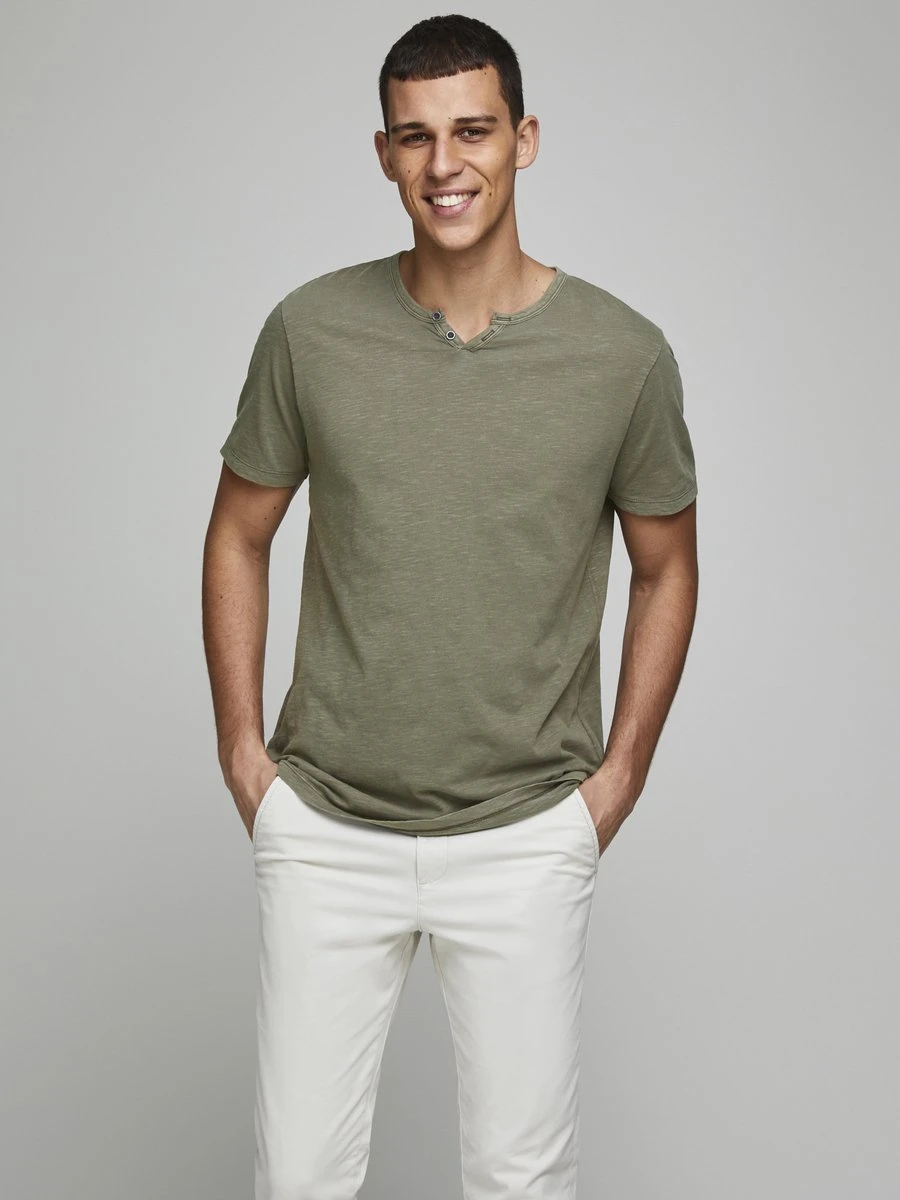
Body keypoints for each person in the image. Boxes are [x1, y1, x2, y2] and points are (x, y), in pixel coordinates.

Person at [202, 13, 699, 1199]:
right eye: (416, 137)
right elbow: (238, 532)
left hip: (527, 828)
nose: (445, 165)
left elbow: (668, 565)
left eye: (473, 131)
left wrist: (616, 782)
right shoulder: (311, 330)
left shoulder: (622, 355)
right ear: (384, 154)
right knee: (297, 1180)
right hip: (327, 825)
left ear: (524, 139)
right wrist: (244, 757)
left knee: (522, 1181)